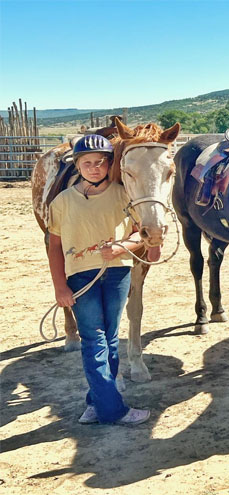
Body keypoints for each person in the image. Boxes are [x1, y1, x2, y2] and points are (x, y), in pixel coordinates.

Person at [47, 134, 150, 425]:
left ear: (109, 165)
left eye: (100, 163)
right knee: (94, 340)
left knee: (112, 337)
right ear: (77, 165)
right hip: (81, 278)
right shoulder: (62, 202)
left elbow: (137, 233)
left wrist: (121, 247)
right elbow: (54, 247)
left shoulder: (122, 194)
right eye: (87, 163)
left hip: (117, 272)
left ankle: (95, 403)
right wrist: (60, 286)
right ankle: (113, 411)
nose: (94, 168)